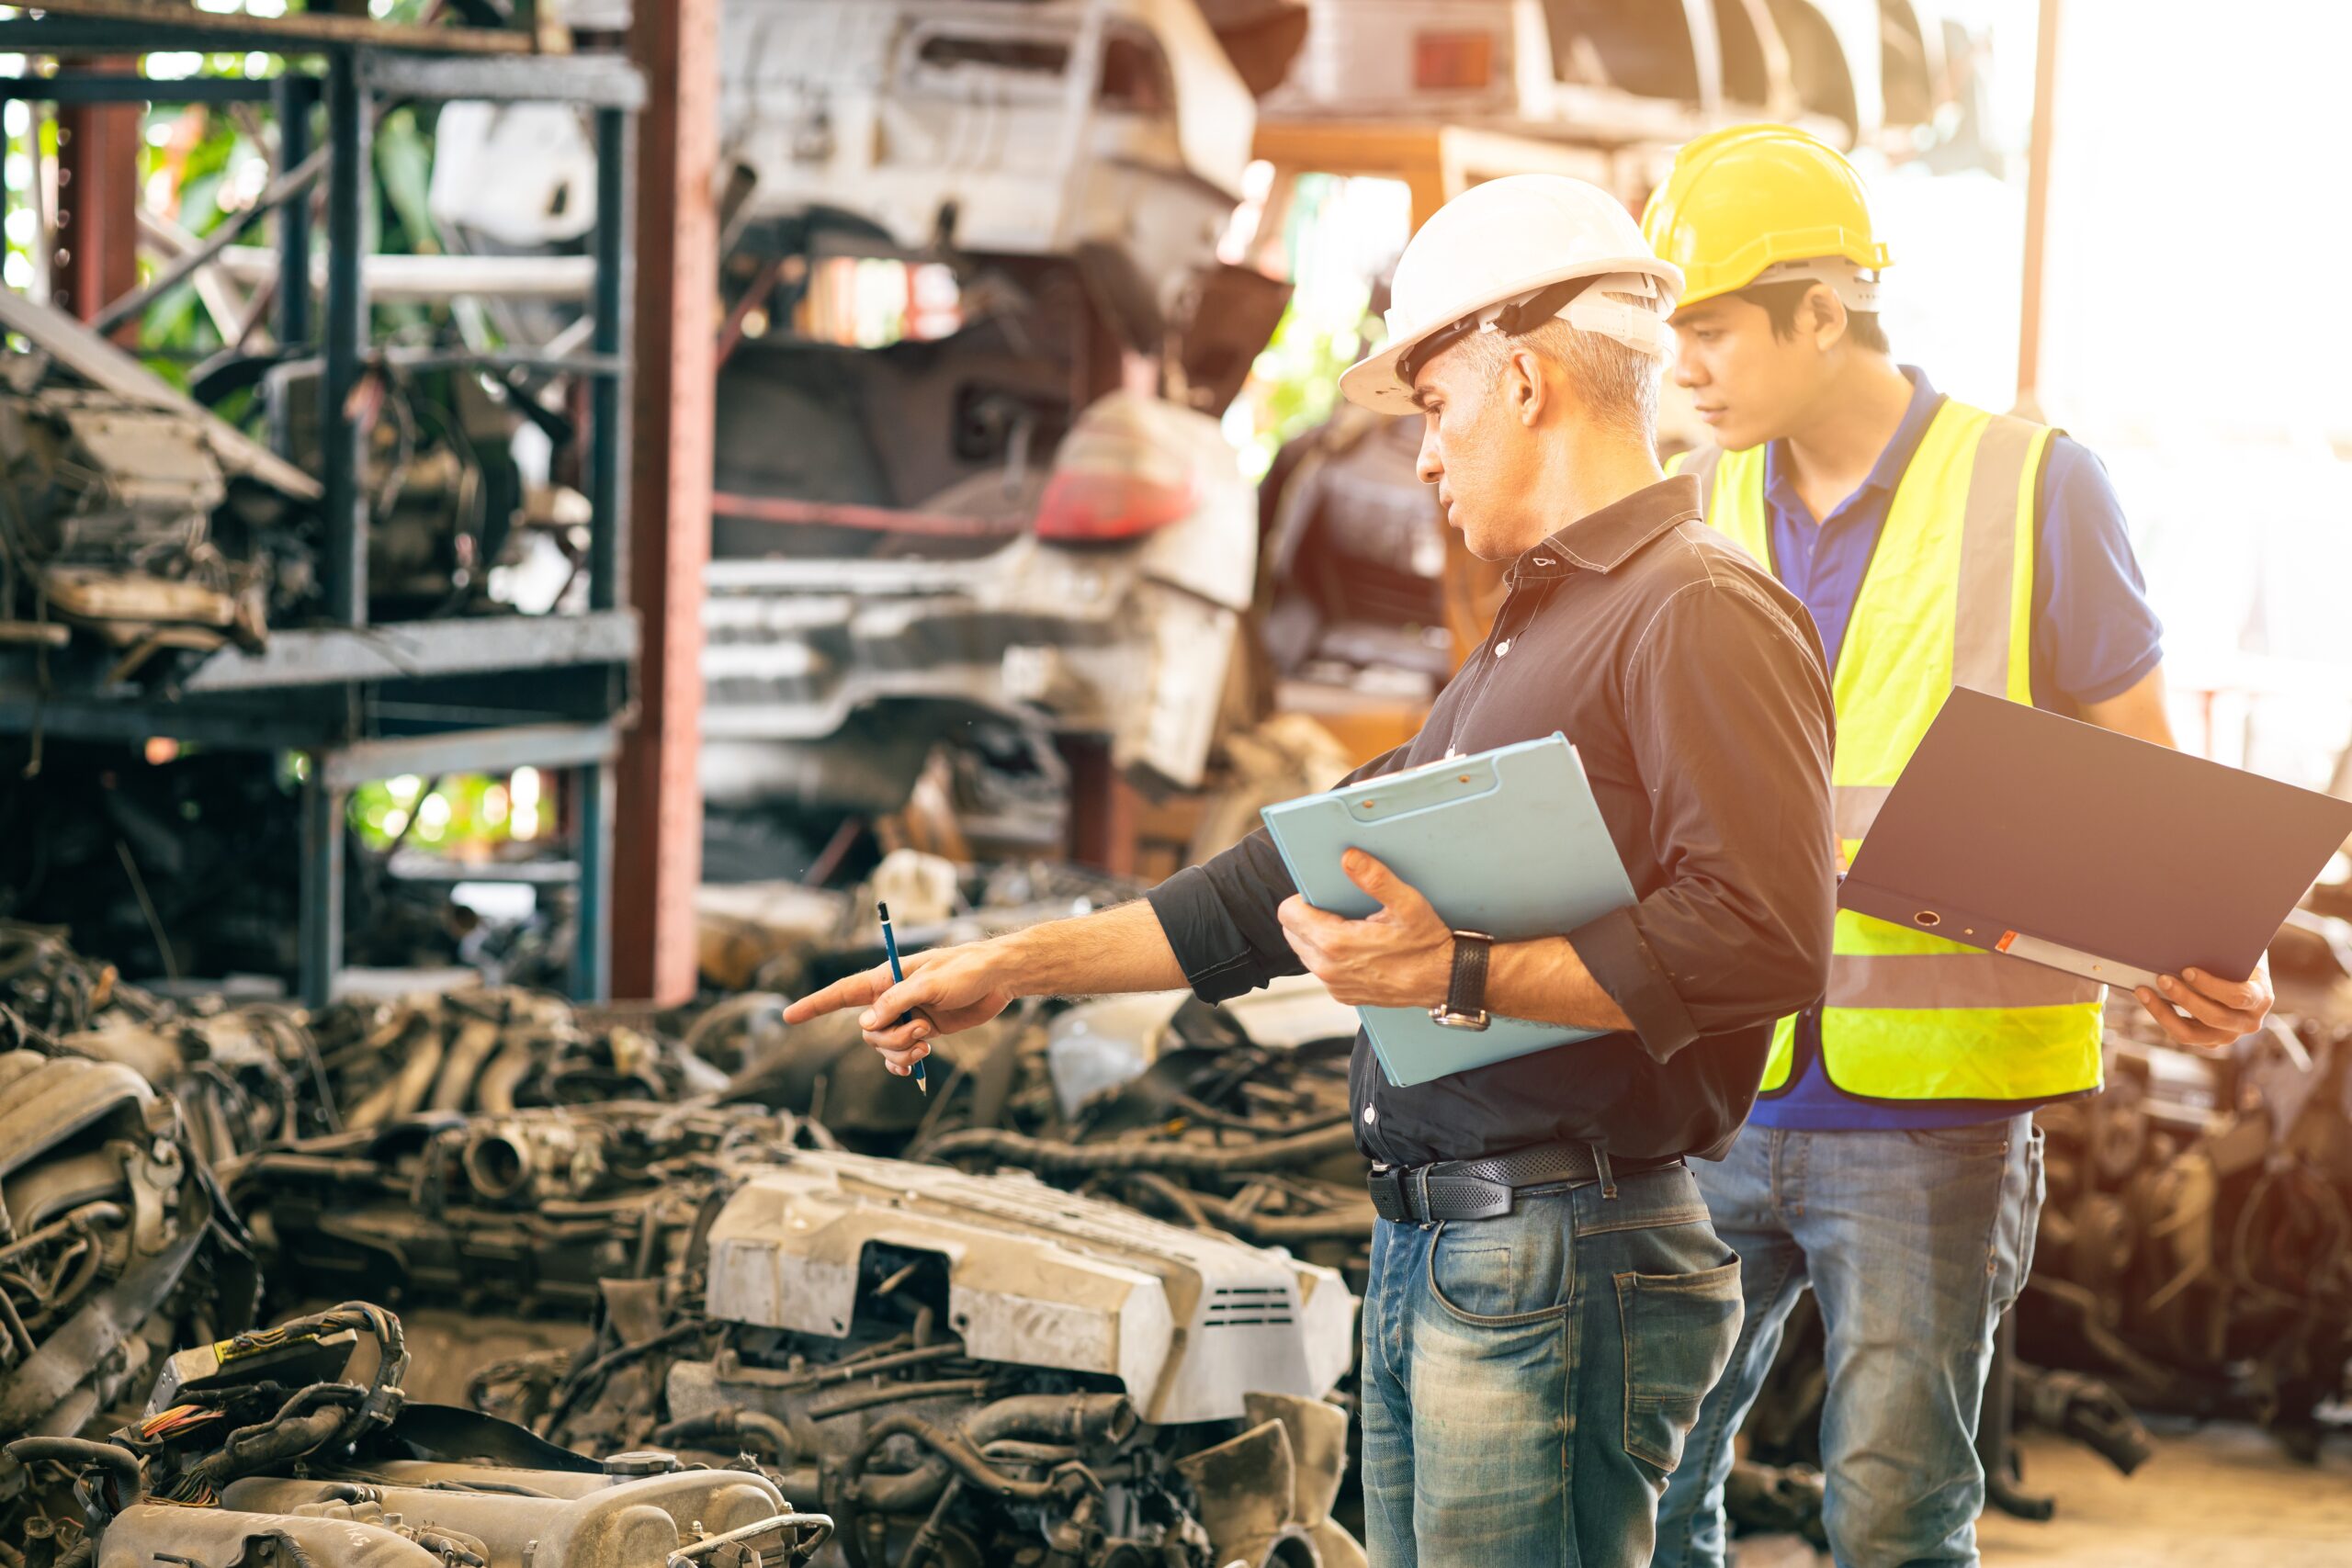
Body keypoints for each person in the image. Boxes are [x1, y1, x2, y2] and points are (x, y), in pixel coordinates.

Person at [786, 173, 1838, 1568]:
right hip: (1456, 1249)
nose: (1420, 457)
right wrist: (1011, 968)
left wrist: (1456, 973)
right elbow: (1276, 891)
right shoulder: (1543, 633)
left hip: (1563, 1250)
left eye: (1436, 408)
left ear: (1525, 380)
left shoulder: (1696, 613)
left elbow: (1765, 937)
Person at [1639, 124, 2277, 1568]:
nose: (1683, 367)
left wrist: (2193, 950)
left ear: (1823, 312)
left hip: (1929, 1124)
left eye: (1713, 329)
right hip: (1720, 1097)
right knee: (1652, 1487)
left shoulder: (2037, 487)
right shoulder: (1700, 504)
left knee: (1892, 1513)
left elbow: (2146, 777)